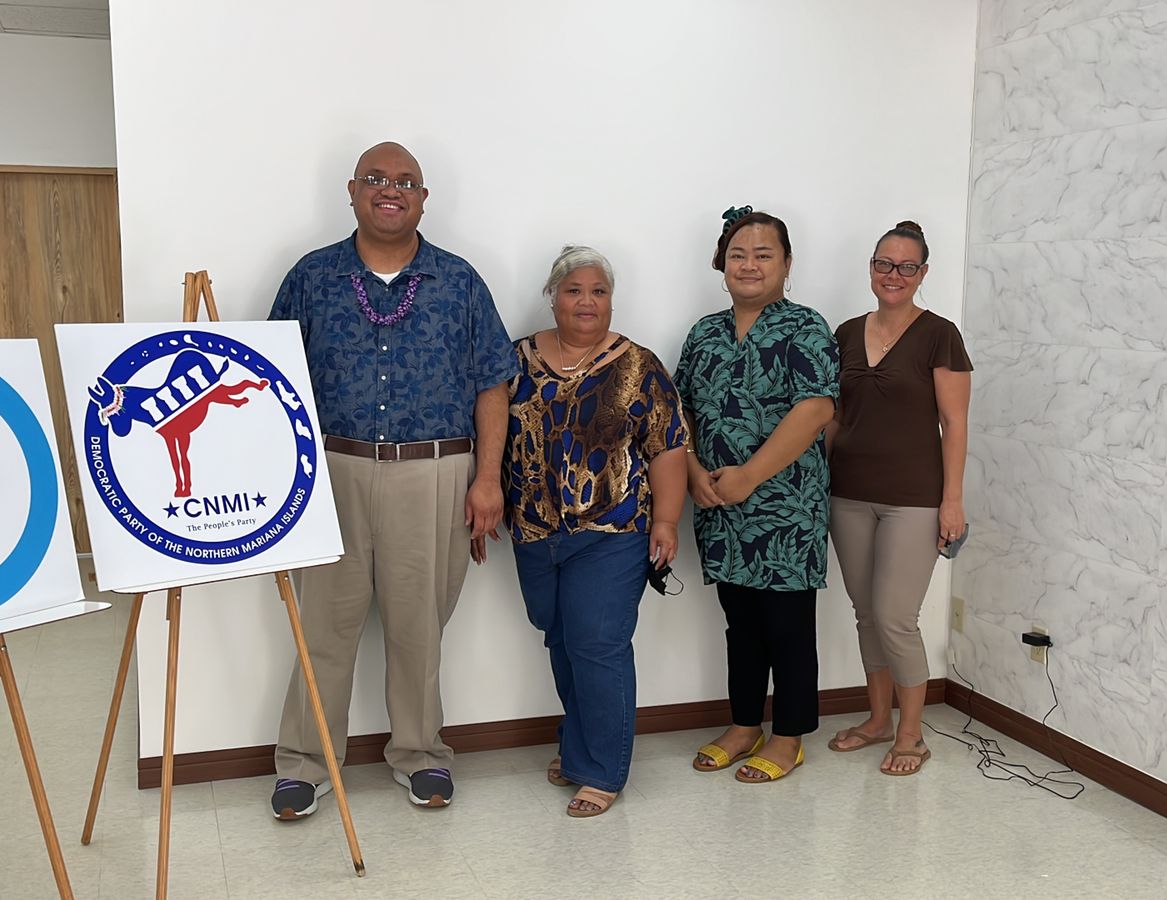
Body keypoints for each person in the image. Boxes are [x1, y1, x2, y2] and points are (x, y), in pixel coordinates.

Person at [266, 142, 516, 818]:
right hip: (332, 472)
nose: (391, 190)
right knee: (323, 628)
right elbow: (270, 379)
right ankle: (306, 761)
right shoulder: (312, 277)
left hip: (433, 472)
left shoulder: (459, 281)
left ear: (423, 199)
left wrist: (487, 478)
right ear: (352, 191)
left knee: (418, 629)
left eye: (406, 181)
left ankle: (420, 753)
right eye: (376, 178)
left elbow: (495, 381)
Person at [471, 245, 687, 817]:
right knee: (560, 637)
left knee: (597, 642)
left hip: (614, 530)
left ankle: (602, 770)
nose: (586, 301)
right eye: (574, 290)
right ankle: (579, 744)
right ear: (553, 296)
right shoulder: (513, 359)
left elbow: (667, 446)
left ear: (611, 300)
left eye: (598, 291)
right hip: (534, 529)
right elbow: (489, 430)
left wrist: (665, 519)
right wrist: (486, 492)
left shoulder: (638, 365)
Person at [676, 207, 839, 784]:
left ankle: (789, 736)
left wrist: (748, 475)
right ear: (722, 263)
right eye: (739, 254)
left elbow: (816, 408)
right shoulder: (704, 334)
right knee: (740, 623)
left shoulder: (805, 328)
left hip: (786, 507)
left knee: (787, 627)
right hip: (719, 507)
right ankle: (745, 725)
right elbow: (681, 413)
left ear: (786, 264)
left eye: (763, 254)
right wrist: (693, 470)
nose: (749, 264)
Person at [824, 220, 972, 776]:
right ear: (871, 267)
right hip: (849, 493)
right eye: (884, 263)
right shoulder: (843, 334)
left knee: (895, 616)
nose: (894, 275)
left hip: (914, 497)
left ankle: (911, 734)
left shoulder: (939, 334)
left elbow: (954, 423)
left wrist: (951, 501)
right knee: (867, 615)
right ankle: (877, 720)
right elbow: (834, 418)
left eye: (907, 267)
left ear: (923, 274)